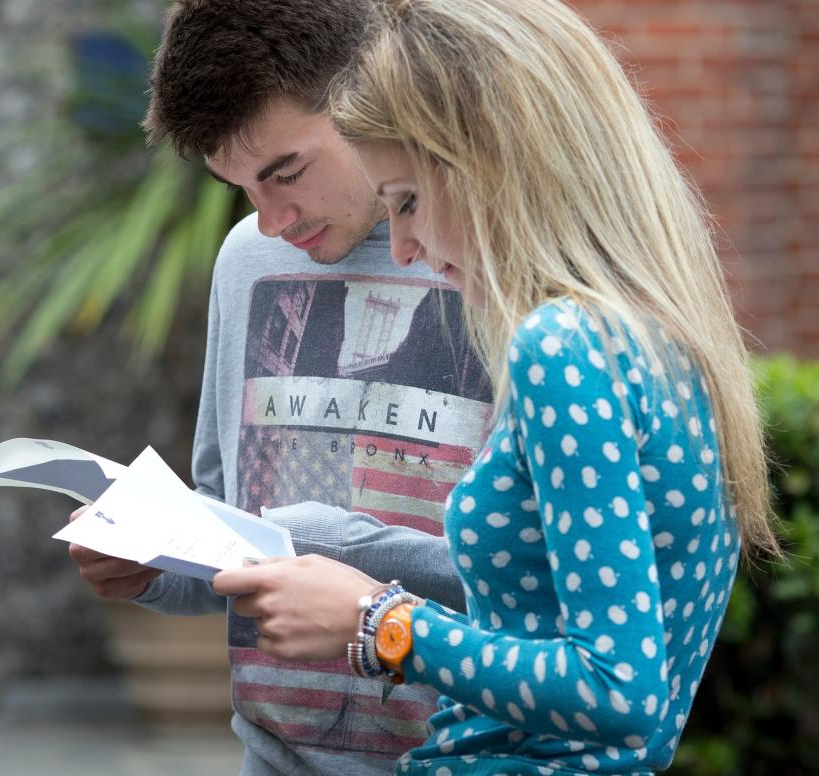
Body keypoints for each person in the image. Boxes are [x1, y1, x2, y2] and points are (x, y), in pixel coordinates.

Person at [212, 0, 781, 773]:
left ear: (495, 158)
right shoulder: (663, 340)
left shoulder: (561, 344)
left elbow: (618, 691)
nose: (404, 248)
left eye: (408, 200)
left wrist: (379, 619)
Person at [68, 1, 494, 774]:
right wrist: (155, 568)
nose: (269, 220)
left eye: (285, 173)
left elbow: (541, 574)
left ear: (367, 92)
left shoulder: (493, 263)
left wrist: (329, 548)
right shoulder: (245, 264)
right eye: (240, 188)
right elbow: (235, 526)